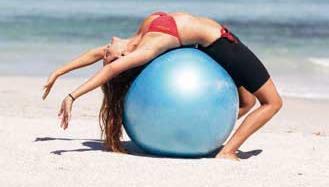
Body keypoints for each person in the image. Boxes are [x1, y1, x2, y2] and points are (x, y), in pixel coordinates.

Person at [42, 11, 282, 161]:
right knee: (272, 103)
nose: (104, 49)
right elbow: (110, 70)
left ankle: (204, 133)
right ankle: (227, 151)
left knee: (247, 102)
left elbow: (94, 56)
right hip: (222, 46)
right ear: (123, 56)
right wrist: (73, 96)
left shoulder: (138, 37)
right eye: (108, 53)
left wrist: (58, 72)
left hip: (222, 42)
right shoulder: (145, 50)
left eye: (105, 51)